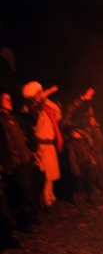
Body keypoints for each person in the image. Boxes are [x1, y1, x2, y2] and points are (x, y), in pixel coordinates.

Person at [21, 81, 63, 210]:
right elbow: (32, 116)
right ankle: (46, 201)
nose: (41, 93)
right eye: (38, 92)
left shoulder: (45, 107)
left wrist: (45, 98)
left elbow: (58, 114)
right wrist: (38, 100)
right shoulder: (31, 109)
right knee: (45, 176)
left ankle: (51, 196)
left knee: (51, 175)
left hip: (50, 145)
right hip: (41, 146)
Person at [0, 92, 39, 231]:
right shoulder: (1, 120)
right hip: (15, 161)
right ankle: (24, 223)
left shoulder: (13, 118)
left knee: (32, 190)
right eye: (6, 99)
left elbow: (22, 137)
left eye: (10, 98)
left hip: (25, 159)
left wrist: (30, 153)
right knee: (23, 193)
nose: (9, 101)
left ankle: (32, 218)